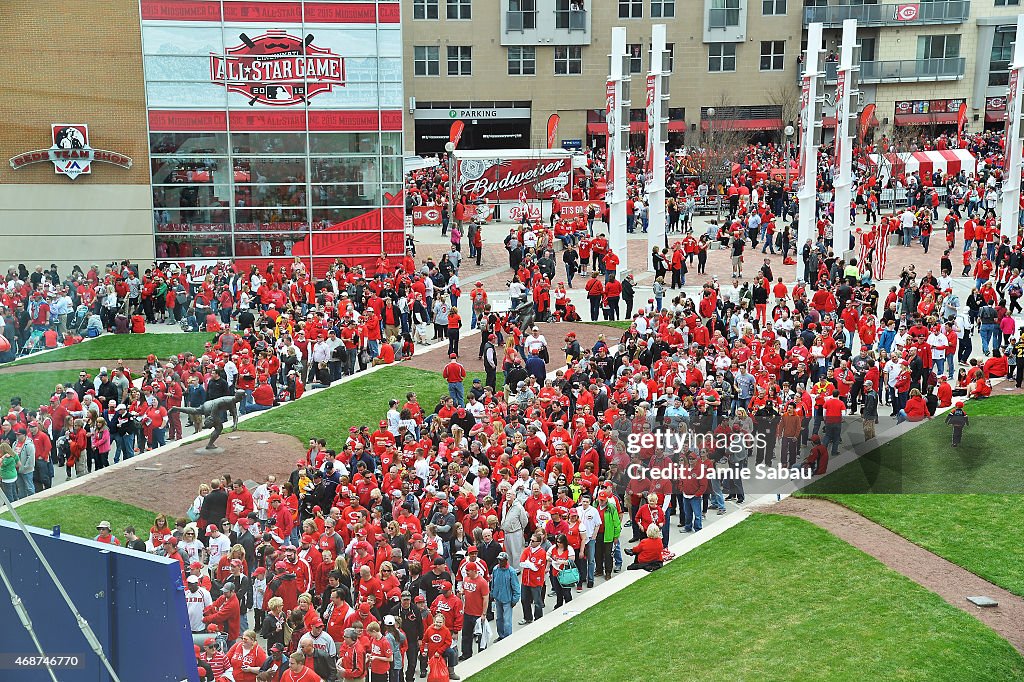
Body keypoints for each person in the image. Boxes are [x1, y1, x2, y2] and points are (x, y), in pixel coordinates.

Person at [490, 551, 520, 642]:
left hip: (507, 600)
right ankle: (501, 636)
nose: (500, 562)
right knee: (499, 619)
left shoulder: (511, 572)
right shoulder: (495, 569)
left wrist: (514, 600)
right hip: (498, 599)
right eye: (499, 560)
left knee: (507, 621)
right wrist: (492, 594)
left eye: (502, 560)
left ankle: (508, 639)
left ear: (506, 560)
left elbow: (516, 587)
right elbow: (493, 583)